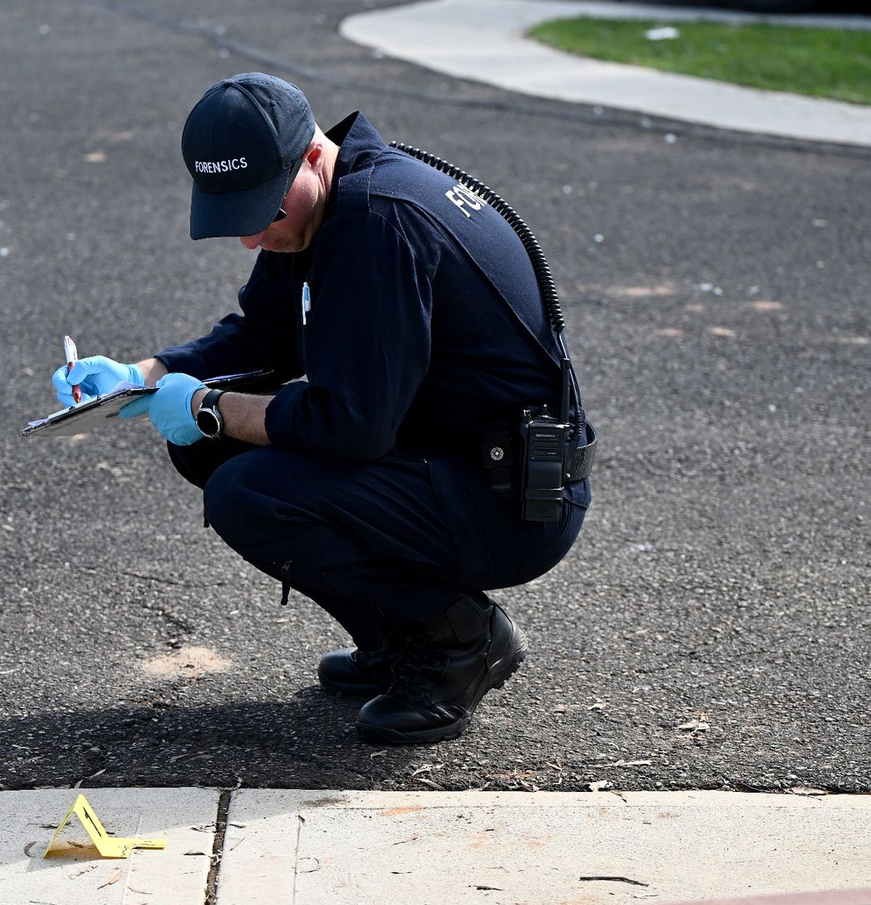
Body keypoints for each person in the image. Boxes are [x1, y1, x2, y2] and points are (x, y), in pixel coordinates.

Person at [51, 73, 594, 745]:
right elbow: (261, 336)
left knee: (248, 488)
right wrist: (145, 375)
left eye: (262, 214)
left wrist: (209, 406)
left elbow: (350, 424)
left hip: (509, 502)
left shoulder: (376, 224)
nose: (252, 240)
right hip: (449, 459)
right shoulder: (321, 206)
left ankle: (457, 643)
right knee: (206, 446)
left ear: (311, 154)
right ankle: (399, 635)